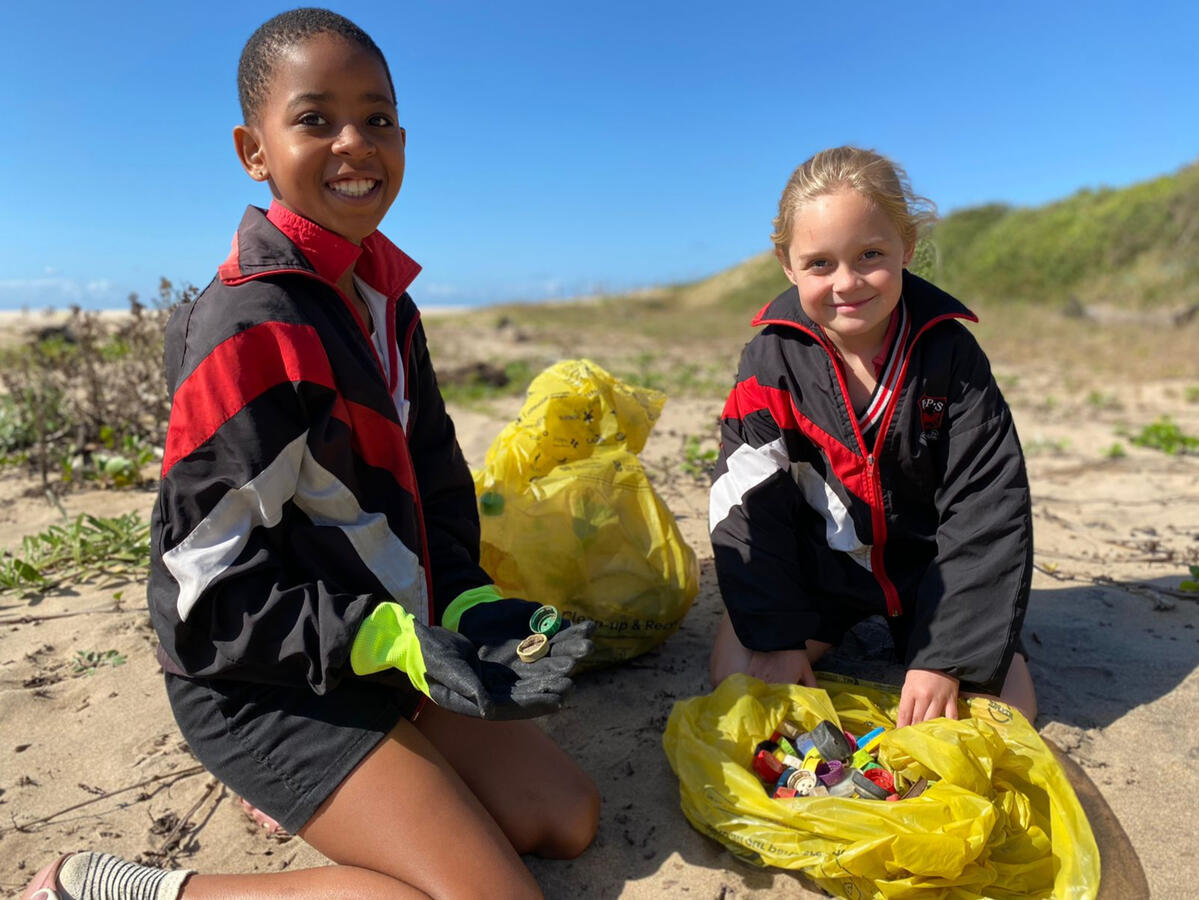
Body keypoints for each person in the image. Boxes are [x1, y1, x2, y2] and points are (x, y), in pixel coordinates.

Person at [23, 8, 598, 899]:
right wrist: (383, 639)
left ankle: (354, 779)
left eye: (376, 119)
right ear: (254, 150)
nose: (353, 144)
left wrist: (473, 608)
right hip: (255, 677)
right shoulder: (248, 329)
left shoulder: (385, 301)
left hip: (376, 649)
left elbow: (437, 491)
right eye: (314, 119)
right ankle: (108, 886)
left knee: (564, 819)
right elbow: (204, 601)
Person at [708, 146, 1037, 730]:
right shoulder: (770, 360)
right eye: (820, 264)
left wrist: (945, 660)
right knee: (738, 679)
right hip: (821, 572)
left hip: (927, 575)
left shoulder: (951, 354)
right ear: (787, 264)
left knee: (1006, 711)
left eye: (870, 255)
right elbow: (746, 504)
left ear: (907, 246)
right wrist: (778, 635)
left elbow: (989, 505)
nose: (847, 283)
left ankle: (935, 649)